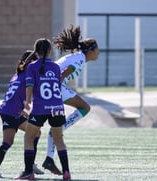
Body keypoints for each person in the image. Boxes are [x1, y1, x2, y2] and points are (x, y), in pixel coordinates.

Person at [42, 25, 99, 174]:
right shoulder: (79, 60)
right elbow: (60, 75)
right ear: (91, 50)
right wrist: (52, 92)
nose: (99, 53)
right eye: (98, 49)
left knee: (50, 130)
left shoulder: (77, 57)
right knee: (85, 108)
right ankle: (57, 136)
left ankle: (48, 158)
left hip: (51, 87)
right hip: (55, 88)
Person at [17, 38, 71, 180]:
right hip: (57, 107)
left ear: (36, 51)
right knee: (58, 139)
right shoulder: (55, 67)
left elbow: (29, 86)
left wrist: (27, 103)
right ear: (49, 50)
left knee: (28, 137)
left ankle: (28, 172)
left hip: (41, 107)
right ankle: (66, 172)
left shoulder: (32, 66)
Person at [0, 50, 44, 178]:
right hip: (10, 112)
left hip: (16, 111)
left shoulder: (17, 74)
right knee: (8, 142)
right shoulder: (28, 75)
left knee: (36, 133)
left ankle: (31, 165)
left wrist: (24, 109)